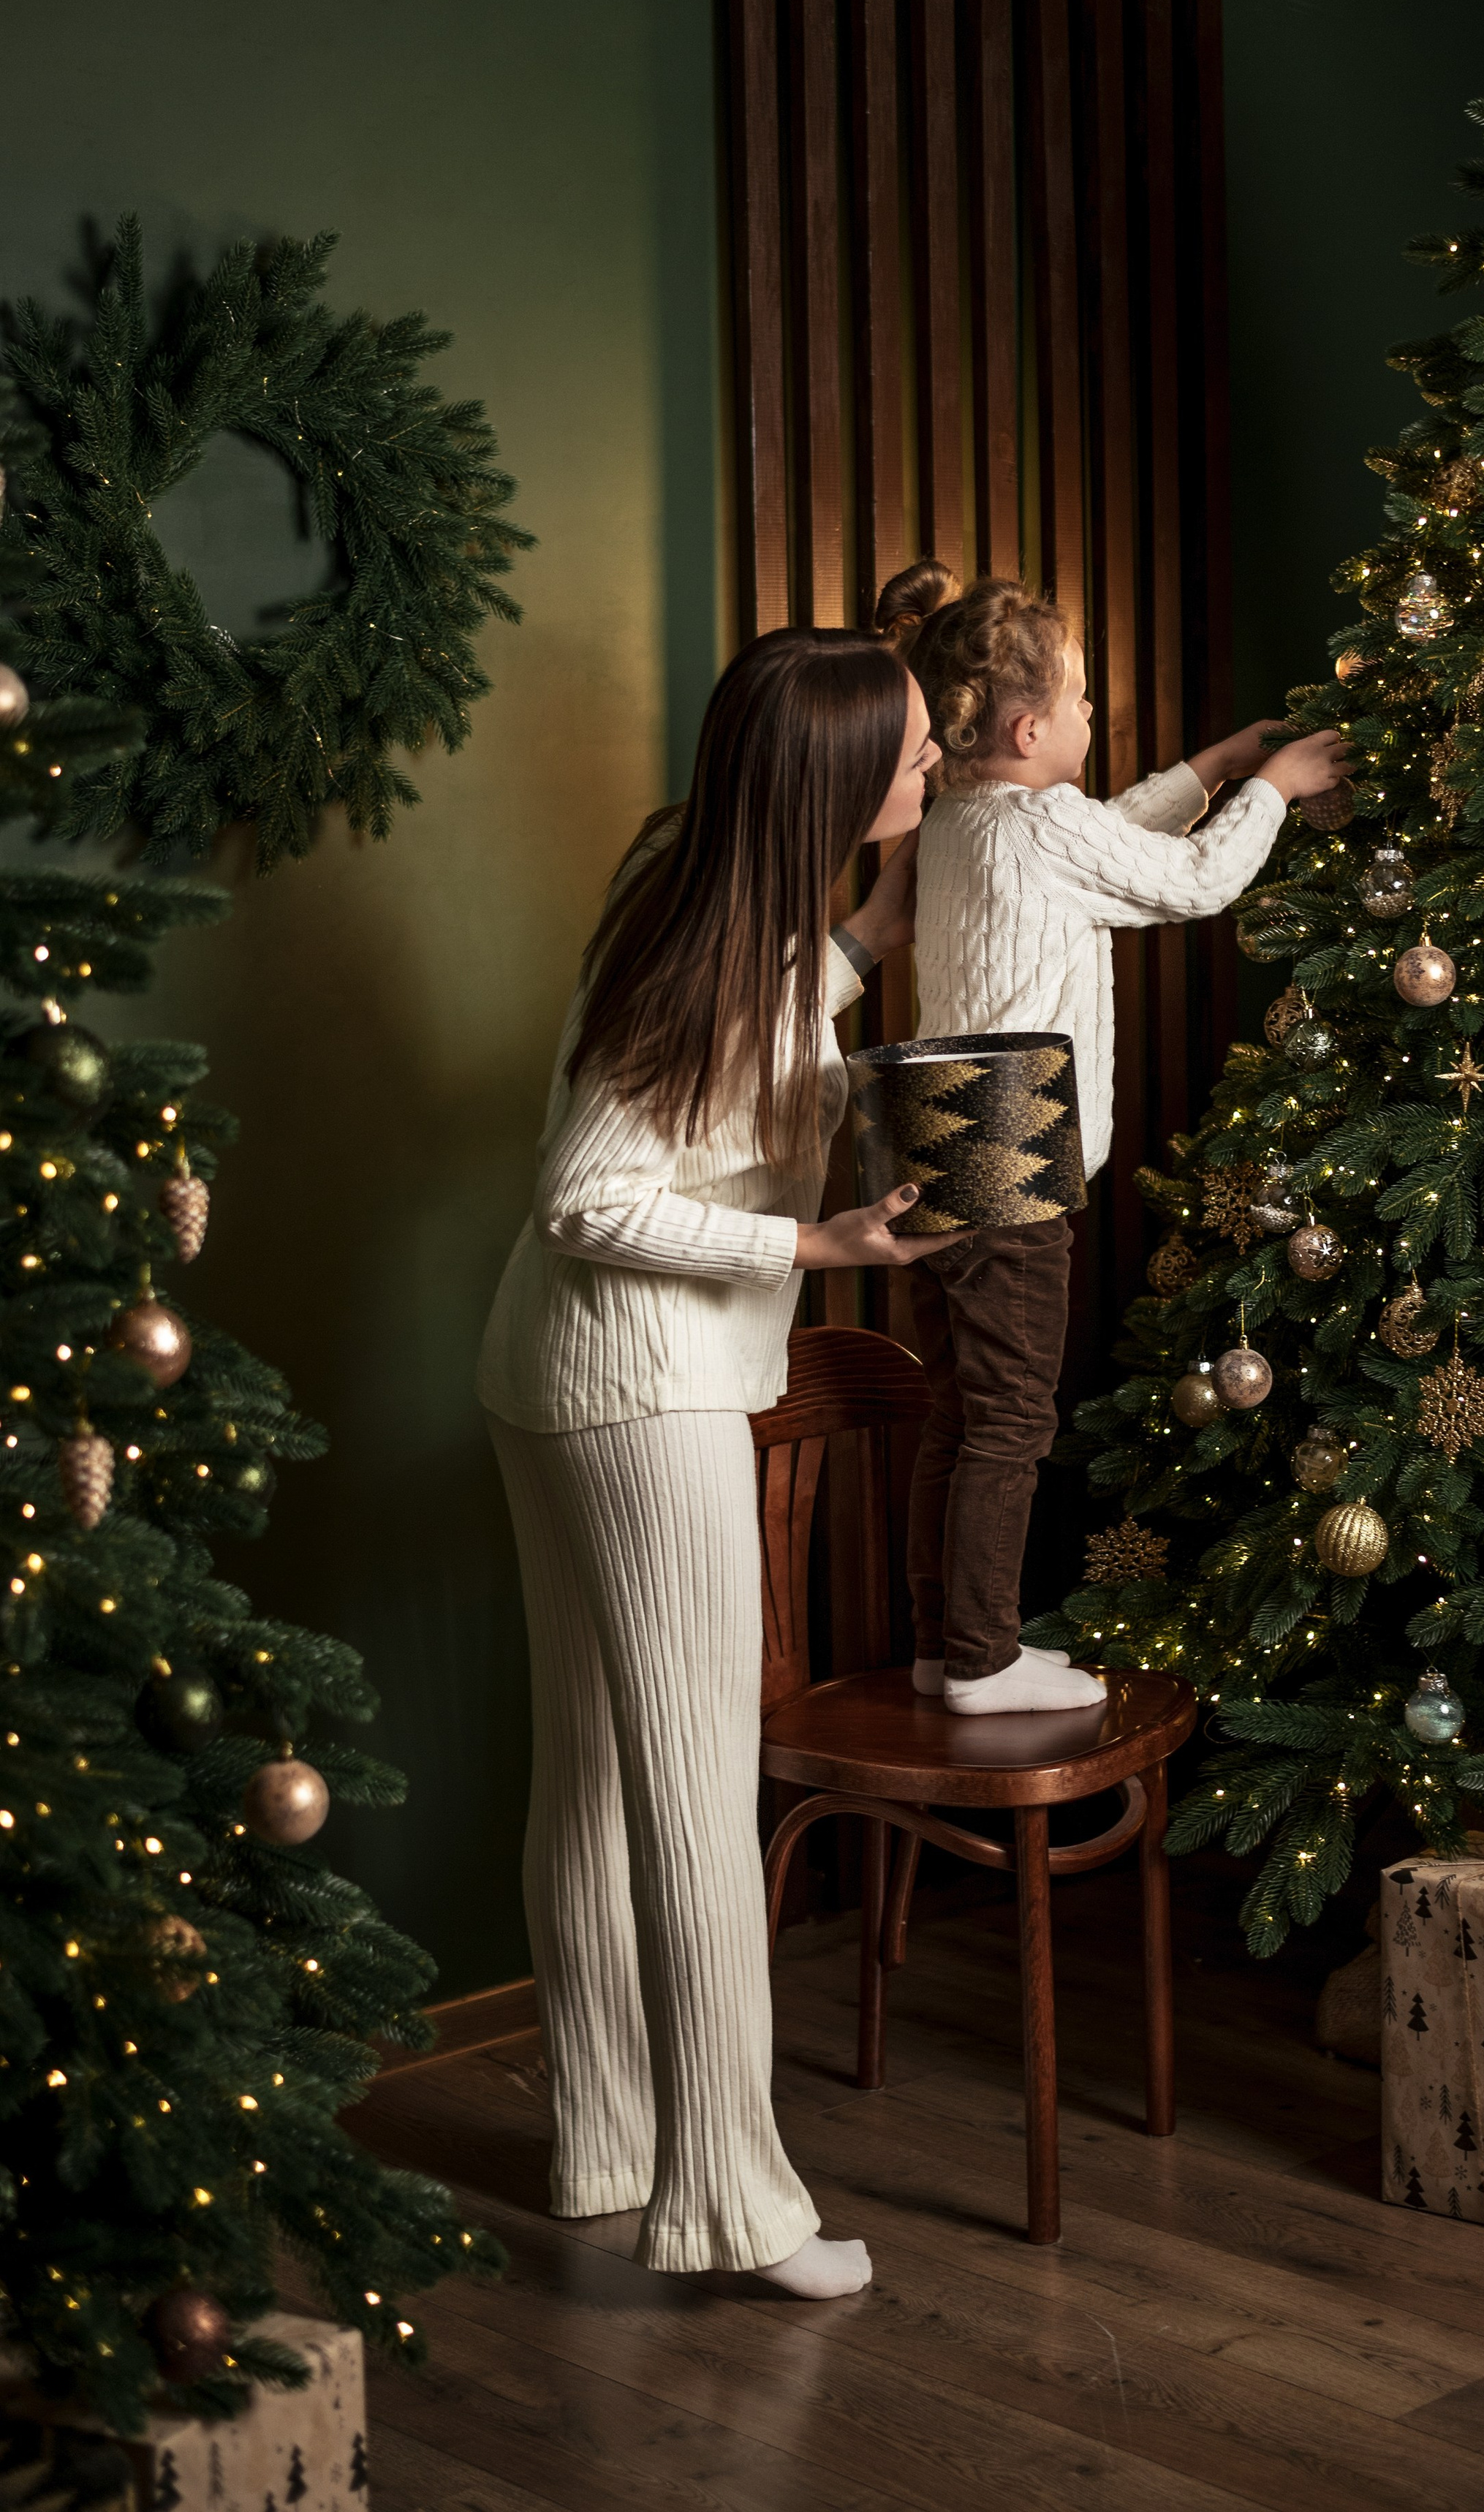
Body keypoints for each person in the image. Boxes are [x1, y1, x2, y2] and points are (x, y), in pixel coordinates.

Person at [477, 631, 960, 2300]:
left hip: (552, 1375)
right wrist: (819, 1243)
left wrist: (861, 943)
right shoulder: (731, 956)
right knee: (690, 1794)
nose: (932, 764)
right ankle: (730, 2204)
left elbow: (735, 1028)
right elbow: (585, 1193)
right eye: (913, 748)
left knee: (586, 1778)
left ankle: (607, 2141)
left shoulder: (681, 873)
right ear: (833, 780)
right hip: (644, 1395)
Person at [900, 575, 1350, 1714]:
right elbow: (1193, 880)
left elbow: (1109, 837)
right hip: (1010, 1129)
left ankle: (942, 1642)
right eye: (1082, 701)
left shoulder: (962, 820)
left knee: (960, 1409)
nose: (1094, 718)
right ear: (1029, 731)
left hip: (939, 1121)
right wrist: (1273, 788)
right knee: (1012, 1416)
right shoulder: (1038, 824)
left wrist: (1214, 768)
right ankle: (982, 1660)